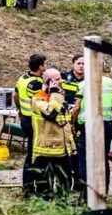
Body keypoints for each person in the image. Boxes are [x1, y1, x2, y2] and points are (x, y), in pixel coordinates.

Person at [30, 68, 76, 194]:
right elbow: (51, 114)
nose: (61, 81)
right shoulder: (38, 99)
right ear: (48, 82)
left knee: (65, 181)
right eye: (57, 79)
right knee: (44, 185)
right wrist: (56, 94)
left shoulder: (58, 97)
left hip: (62, 149)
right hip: (46, 150)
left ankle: (62, 206)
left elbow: (65, 121)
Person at [71, 65, 112, 192]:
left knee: (85, 159)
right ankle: (104, 189)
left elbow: (76, 107)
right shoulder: (110, 83)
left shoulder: (83, 85)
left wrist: (72, 123)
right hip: (106, 124)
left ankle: (86, 193)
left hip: (87, 126)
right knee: (103, 158)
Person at [13, 54, 46, 192]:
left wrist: (20, 109)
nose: (46, 67)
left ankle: (30, 184)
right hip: (33, 121)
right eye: (45, 64)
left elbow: (15, 96)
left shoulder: (22, 78)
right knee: (34, 154)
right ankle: (29, 185)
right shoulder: (36, 83)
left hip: (25, 119)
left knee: (31, 152)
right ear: (40, 67)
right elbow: (41, 103)